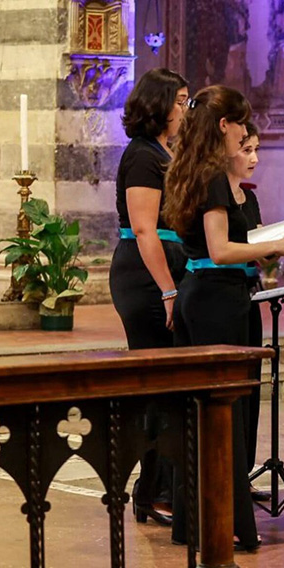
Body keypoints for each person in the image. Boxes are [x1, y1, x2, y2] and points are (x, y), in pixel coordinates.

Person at [164, 85, 284, 549]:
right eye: (241, 125)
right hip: (216, 300)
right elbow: (221, 250)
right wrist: (273, 244)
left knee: (201, 413)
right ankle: (230, 524)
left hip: (201, 294)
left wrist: (265, 244)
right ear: (224, 125)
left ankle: (195, 522)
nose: (245, 133)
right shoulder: (214, 179)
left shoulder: (191, 169)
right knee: (225, 411)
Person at [108, 67, 189, 527]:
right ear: (159, 105)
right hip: (145, 277)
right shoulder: (142, 155)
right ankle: (150, 491)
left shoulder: (165, 151)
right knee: (158, 386)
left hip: (166, 268)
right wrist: (169, 289)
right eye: (180, 101)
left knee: (172, 385)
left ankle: (168, 486)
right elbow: (144, 229)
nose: (185, 109)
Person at [225, 121, 269, 502]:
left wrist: (278, 245)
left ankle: (243, 472)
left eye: (256, 150)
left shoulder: (249, 198)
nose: (254, 158)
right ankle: (226, 474)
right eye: (247, 149)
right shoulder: (216, 194)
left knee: (250, 387)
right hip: (223, 294)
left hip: (249, 295)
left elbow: (258, 244)